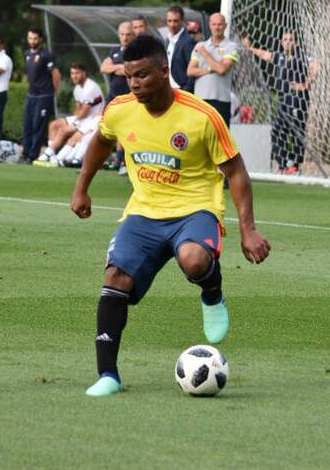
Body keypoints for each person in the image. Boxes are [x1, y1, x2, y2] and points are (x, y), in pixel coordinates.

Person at [70, 34, 271, 397]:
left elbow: (236, 171)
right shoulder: (120, 108)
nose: (134, 84)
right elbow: (100, 140)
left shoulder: (202, 116)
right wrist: (82, 186)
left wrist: (249, 229)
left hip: (195, 209)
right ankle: (108, 375)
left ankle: (212, 294)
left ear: (164, 72)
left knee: (194, 260)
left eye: (143, 76)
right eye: (130, 76)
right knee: (115, 278)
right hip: (144, 212)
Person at [242, 32, 318, 174]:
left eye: (291, 40)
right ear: (281, 42)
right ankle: (283, 164)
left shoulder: (300, 56)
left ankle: (294, 166)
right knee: (277, 131)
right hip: (282, 99)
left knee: (296, 132)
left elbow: (315, 66)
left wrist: (305, 84)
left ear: (295, 43)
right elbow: (266, 55)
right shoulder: (279, 56)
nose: (288, 42)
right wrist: (250, 48)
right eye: (285, 40)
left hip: (297, 99)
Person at [37, 63, 104, 165]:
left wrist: (73, 124)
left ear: (84, 74)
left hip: (93, 119)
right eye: (72, 73)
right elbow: (78, 110)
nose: (74, 76)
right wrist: (74, 120)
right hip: (83, 118)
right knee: (53, 125)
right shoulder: (77, 88)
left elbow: (85, 113)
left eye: (77, 73)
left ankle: (49, 153)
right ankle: (53, 155)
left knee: (64, 130)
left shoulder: (90, 87)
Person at [187, 13, 238, 126]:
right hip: (200, 100)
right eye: (214, 24)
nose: (217, 27)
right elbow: (190, 71)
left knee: (220, 139)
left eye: (220, 24)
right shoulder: (200, 45)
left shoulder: (231, 46)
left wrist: (205, 53)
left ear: (225, 25)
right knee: (200, 137)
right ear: (210, 25)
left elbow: (222, 70)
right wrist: (211, 69)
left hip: (221, 100)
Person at [21, 27, 61, 162]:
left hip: (44, 96)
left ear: (40, 39)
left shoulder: (46, 54)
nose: (32, 41)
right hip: (31, 95)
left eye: (35, 38)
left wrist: (53, 92)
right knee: (27, 125)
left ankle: (32, 155)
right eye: (30, 38)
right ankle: (25, 153)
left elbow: (55, 74)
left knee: (38, 126)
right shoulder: (27, 53)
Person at [100, 21, 135, 174]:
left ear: (133, 35)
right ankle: (106, 159)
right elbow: (104, 68)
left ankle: (123, 162)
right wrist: (118, 67)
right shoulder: (114, 50)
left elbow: (130, 70)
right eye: (122, 34)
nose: (125, 38)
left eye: (128, 35)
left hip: (129, 97)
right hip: (113, 96)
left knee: (125, 130)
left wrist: (120, 68)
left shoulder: (137, 51)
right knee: (105, 127)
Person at [163, 5, 196, 92]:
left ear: (182, 21)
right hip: (167, 88)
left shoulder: (188, 41)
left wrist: (186, 90)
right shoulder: (167, 40)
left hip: (181, 89)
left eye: (175, 21)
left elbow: (192, 68)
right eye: (169, 21)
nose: (172, 24)